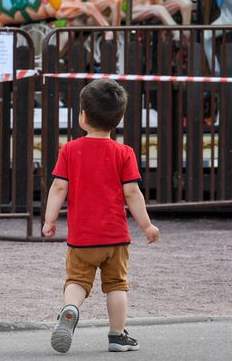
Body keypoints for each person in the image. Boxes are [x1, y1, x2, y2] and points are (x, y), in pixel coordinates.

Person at [42, 79, 160, 353]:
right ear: (117, 119)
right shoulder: (124, 153)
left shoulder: (70, 150)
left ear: (83, 117)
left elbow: (59, 187)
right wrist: (147, 225)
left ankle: (70, 309)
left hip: (81, 237)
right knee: (117, 285)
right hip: (115, 237)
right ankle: (117, 336)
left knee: (77, 281)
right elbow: (132, 193)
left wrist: (50, 220)